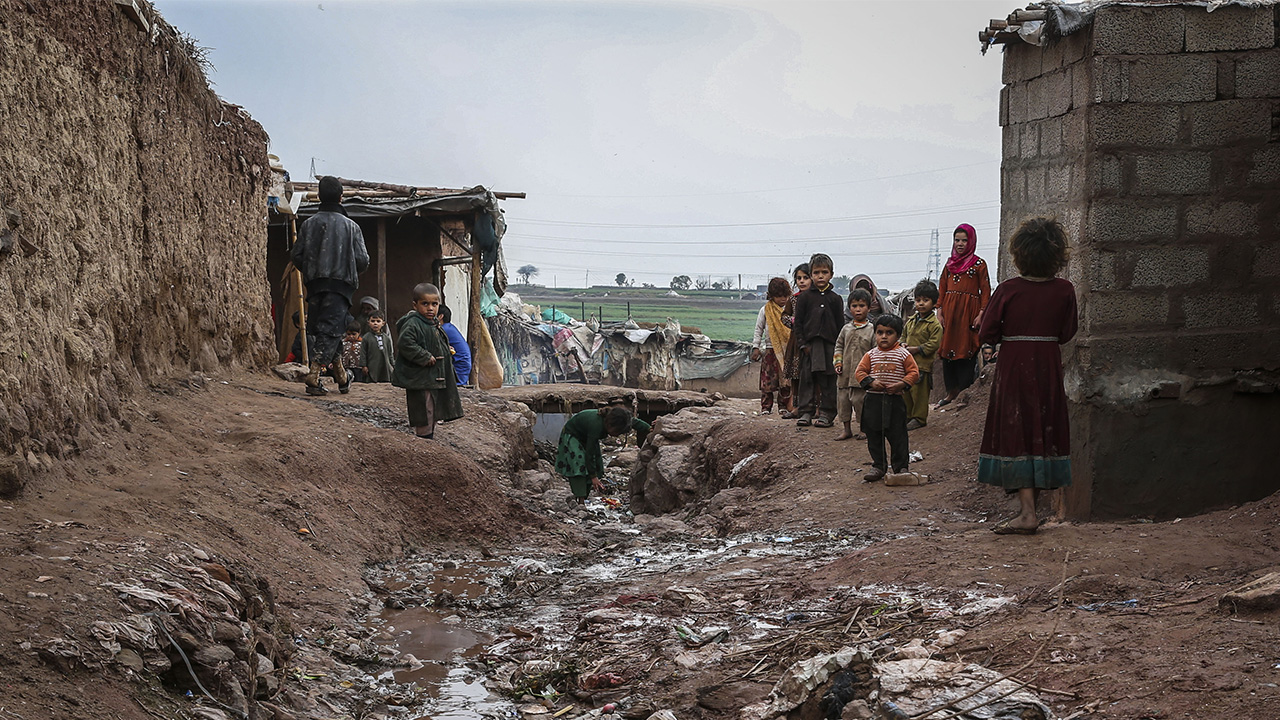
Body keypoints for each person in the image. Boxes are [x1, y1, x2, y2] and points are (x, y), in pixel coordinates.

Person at [977, 217, 1077, 535]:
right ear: (1057, 255)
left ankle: (1027, 513)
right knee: (1041, 429)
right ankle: (1031, 511)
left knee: (1018, 430)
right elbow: (1067, 332)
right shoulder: (1065, 291)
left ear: (1019, 254)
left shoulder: (1008, 290)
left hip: (1014, 367)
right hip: (1047, 365)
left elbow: (987, 331)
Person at [290, 177, 370, 395]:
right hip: (340, 286)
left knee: (327, 329)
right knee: (331, 329)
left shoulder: (308, 224)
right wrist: (348, 270)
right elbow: (363, 260)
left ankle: (342, 376)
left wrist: (311, 270)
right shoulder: (352, 227)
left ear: (319, 197)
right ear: (341, 197)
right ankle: (314, 375)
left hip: (315, 285)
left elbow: (296, 255)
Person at [390, 283, 463, 439]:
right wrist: (424, 356)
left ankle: (429, 434)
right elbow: (406, 343)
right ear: (415, 305)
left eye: (434, 304)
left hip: (432, 376)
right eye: (425, 304)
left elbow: (431, 340)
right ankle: (424, 437)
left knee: (433, 406)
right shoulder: (413, 323)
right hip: (421, 377)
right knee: (424, 408)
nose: (430, 308)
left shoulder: (432, 322)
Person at [854, 314, 920, 482]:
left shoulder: (903, 354)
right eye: (880, 332)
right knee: (874, 435)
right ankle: (878, 466)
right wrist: (871, 382)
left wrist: (902, 384)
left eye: (889, 333)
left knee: (898, 435)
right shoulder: (870, 355)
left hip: (895, 401)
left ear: (897, 335)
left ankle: (901, 467)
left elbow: (914, 372)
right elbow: (860, 372)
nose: (884, 336)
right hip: (873, 401)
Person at [937, 223, 991, 407]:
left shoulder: (979, 264)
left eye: (964, 240)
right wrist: (939, 310)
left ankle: (964, 392)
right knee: (947, 349)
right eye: (957, 240)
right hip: (950, 314)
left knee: (966, 348)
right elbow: (942, 287)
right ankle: (951, 393)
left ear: (971, 241)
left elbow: (985, 290)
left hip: (969, 313)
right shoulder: (949, 264)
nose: (960, 244)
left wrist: (982, 313)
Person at [555, 406, 651, 504]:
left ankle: (584, 495)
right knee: (579, 464)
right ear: (610, 425)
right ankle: (580, 499)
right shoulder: (596, 426)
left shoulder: (620, 419)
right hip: (573, 435)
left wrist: (650, 428)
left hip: (586, 436)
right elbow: (589, 454)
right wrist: (593, 477)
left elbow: (635, 422)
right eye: (617, 432)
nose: (617, 435)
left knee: (597, 464)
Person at [792, 253, 843, 428]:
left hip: (829, 346)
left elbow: (840, 325)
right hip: (809, 347)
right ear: (811, 274)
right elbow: (797, 323)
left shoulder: (835, 299)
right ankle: (806, 412)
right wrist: (802, 344)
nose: (820, 276)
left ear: (831, 274)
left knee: (828, 380)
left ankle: (827, 414)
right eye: (816, 273)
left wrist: (838, 348)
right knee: (807, 379)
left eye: (824, 272)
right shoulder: (804, 298)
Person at [833, 289, 875, 442]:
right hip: (844, 375)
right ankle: (846, 430)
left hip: (861, 376)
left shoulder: (872, 330)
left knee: (860, 402)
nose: (858, 309)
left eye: (862, 306)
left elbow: (875, 352)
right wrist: (838, 362)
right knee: (843, 402)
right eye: (854, 306)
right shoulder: (846, 329)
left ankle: (864, 429)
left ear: (868, 308)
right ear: (849, 308)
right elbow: (838, 346)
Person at [903, 279, 943, 430]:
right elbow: (903, 335)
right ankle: (908, 416)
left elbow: (934, 344)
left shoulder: (934, 325)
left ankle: (919, 418)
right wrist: (903, 344)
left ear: (933, 303)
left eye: (925, 300)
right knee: (907, 391)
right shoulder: (911, 321)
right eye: (918, 300)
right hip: (908, 364)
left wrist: (917, 349)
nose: (921, 303)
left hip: (923, 365)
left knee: (919, 394)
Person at [751, 278, 793, 414]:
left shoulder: (790, 309)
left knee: (785, 380)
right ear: (771, 296)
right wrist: (755, 347)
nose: (783, 299)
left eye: (785, 296)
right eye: (779, 296)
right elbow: (759, 329)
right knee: (767, 381)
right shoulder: (765, 310)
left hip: (787, 350)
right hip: (770, 349)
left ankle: (783, 406)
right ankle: (766, 407)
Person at [779, 263, 811, 418]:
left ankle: (817, 408)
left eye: (806, 277)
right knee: (796, 376)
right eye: (799, 278)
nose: (802, 281)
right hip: (796, 342)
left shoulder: (817, 299)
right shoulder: (793, 299)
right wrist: (794, 321)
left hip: (813, 342)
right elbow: (783, 317)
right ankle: (797, 407)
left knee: (815, 377)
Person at [438, 305, 472, 386]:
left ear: (440, 316)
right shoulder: (449, 327)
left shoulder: (444, 330)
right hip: (461, 364)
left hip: (459, 366)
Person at [361, 310, 394, 383]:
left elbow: (390, 353)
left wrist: (392, 364)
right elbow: (363, 352)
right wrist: (364, 365)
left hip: (385, 364)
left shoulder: (386, 338)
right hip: (372, 364)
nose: (375, 323)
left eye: (378, 321)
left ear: (383, 323)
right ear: (368, 323)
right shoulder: (366, 337)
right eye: (373, 321)